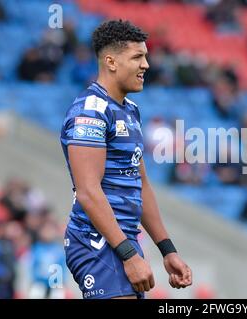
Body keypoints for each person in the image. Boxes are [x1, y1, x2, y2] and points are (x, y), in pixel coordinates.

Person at [60, 20, 192, 299]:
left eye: (145, 56)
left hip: (123, 240)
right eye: (137, 57)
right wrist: (128, 255)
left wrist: (167, 250)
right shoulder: (90, 111)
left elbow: (141, 185)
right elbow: (88, 191)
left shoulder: (130, 111)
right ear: (110, 61)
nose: (146, 64)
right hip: (95, 241)